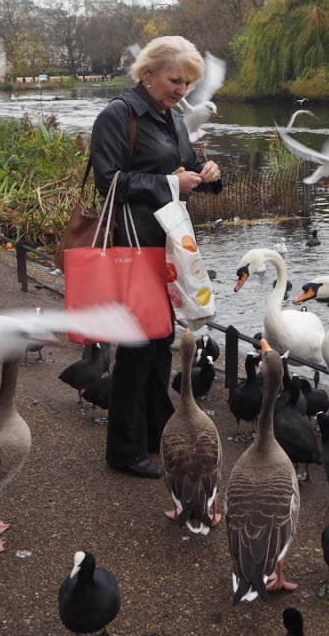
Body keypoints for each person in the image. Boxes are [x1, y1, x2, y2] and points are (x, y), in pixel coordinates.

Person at [89, 36, 222, 478]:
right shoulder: (118, 115)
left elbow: (183, 167)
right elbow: (109, 182)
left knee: (158, 342)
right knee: (137, 347)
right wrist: (170, 184)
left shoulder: (171, 118)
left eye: (187, 82)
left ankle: (153, 434)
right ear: (148, 74)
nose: (182, 90)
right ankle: (123, 451)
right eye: (174, 80)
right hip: (133, 246)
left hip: (166, 245)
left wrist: (209, 174)